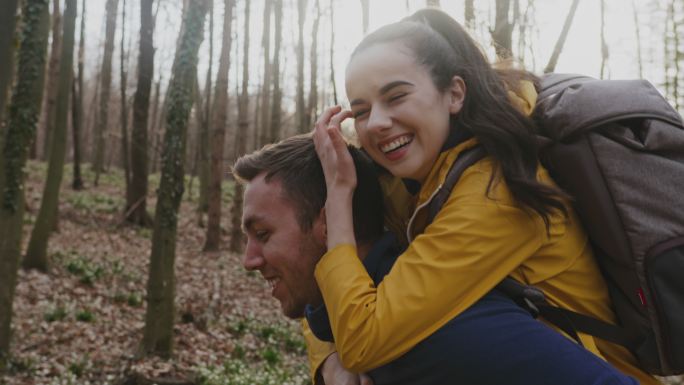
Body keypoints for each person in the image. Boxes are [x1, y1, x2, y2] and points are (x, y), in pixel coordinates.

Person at [311, 8, 661, 385]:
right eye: (361, 110)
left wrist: (340, 202)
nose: (377, 121)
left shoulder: (501, 193)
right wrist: (328, 358)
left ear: (455, 94)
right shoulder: (409, 181)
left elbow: (364, 340)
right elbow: (321, 273)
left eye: (396, 96)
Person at [234, 135, 640, 385]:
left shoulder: (445, 333)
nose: (249, 260)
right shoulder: (346, 311)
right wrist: (328, 362)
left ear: (330, 220)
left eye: (263, 234)